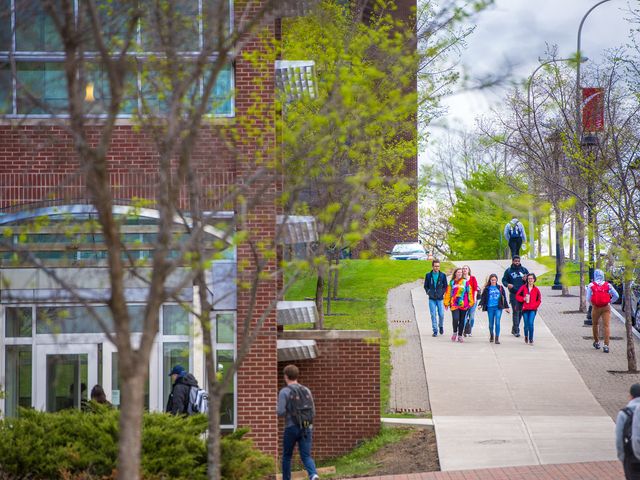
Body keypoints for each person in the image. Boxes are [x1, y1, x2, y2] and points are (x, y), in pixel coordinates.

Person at [277, 364, 319, 480]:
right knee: (306, 455)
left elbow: (280, 412)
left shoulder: (284, 392)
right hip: (306, 426)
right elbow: (313, 412)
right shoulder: (306, 390)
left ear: (286, 376)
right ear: (297, 375)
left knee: (287, 456)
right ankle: (313, 474)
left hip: (291, 426)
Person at [586, 268, 620, 353]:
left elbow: (588, 298)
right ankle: (606, 345)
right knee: (606, 326)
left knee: (595, 324)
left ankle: (597, 342)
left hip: (596, 307)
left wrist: (592, 304)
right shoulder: (608, 285)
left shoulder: (591, 285)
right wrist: (610, 301)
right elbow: (617, 296)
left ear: (594, 276)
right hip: (606, 307)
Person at [444, 267, 474, 343]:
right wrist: (446, 303)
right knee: (455, 318)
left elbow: (470, 292)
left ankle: (460, 335)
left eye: (461, 272)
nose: (460, 273)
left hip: (464, 304)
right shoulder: (452, 282)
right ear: (455, 273)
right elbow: (448, 293)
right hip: (454, 304)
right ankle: (455, 332)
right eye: (458, 272)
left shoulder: (465, 282)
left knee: (462, 320)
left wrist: (471, 302)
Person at [616, 383, 640, 479]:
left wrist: (622, 456)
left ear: (631, 396)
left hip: (631, 455)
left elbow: (619, 438)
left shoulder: (624, 413)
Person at [502, 255, 529, 337]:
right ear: (512, 261)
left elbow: (531, 279)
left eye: (518, 261)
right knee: (516, 311)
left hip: (523, 294)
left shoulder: (524, 270)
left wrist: (526, 279)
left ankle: (514, 329)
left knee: (520, 312)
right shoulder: (508, 271)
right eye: (515, 261)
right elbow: (504, 280)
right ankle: (516, 330)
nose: (517, 262)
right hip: (514, 294)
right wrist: (507, 285)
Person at [478, 274, 510, 344]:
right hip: (490, 307)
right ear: (490, 280)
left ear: (497, 280)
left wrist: (507, 307)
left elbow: (504, 298)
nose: (493, 281)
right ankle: (491, 335)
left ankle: (497, 338)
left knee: (497, 322)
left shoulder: (500, 288)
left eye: (495, 280)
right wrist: (480, 304)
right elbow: (483, 298)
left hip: (498, 307)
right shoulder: (487, 288)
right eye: (492, 280)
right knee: (490, 324)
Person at [423, 259, 448, 337]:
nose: (437, 268)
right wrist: (428, 292)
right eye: (435, 266)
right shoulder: (428, 275)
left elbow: (445, 286)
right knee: (433, 314)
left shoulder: (443, 275)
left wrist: (442, 292)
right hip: (431, 299)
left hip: (440, 298)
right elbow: (425, 286)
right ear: (432, 266)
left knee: (441, 314)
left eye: (438, 266)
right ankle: (435, 330)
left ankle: (440, 326)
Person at [515, 273, 542, 345]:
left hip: (533, 309)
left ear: (534, 280)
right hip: (525, 309)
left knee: (531, 323)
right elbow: (517, 296)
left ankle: (531, 339)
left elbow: (539, 300)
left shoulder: (536, 290)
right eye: (529, 278)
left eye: (531, 279)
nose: (530, 280)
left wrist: (535, 306)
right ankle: (526, 336)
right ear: (527, 279)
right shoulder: (523, 287)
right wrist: (523, 299)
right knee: (526, 324)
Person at [462, 265, 480, 336]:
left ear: (468, 270)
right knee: (464, 317)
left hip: (472, 300)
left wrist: (475, 298)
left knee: (471, 317)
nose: (464, 270)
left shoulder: (472, 278)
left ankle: (470, 329)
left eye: (466, 269)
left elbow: (475, 289)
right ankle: (465, 330)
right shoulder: (461, 279)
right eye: (463, 269)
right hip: (463, 301)